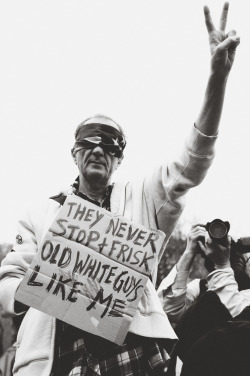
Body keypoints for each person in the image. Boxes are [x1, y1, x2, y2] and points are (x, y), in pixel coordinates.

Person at [0, 3, 240, 375]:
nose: (99, 147)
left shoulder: (143, 197)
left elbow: (191, 164)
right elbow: (10, 281)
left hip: (135, 355)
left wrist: (218, 79)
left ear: (120, 157)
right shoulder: (38, 213)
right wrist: (42, 289)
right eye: (89, 139)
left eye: (110, 142)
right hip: (58, 360)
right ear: (74, 152)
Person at [158, 223, 250, 375]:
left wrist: (222, 265)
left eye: (241, 249)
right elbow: (166, 310)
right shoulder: (201, 287)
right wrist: (190, 251)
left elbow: (236, 317)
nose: (236, 254)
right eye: (227, 245)